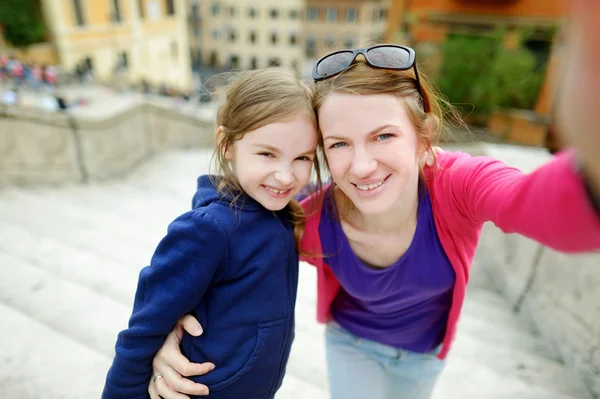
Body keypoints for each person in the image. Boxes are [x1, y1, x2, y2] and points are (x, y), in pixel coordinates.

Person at [147, 3, 600, 397]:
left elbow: (536, 204)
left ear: (423, 141)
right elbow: (224, 245)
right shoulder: (310, 215)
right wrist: (167, 332)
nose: (360, 167)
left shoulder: (457, 186)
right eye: (339, 144)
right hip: (351, 345)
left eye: (383, 135)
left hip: (428, 355)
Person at [101, 68, 321, 399]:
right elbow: (144, 329)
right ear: (227, 144)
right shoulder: (208, 230)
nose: (285, 176)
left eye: (302, 157)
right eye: (267, 153)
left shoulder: (278, 208)